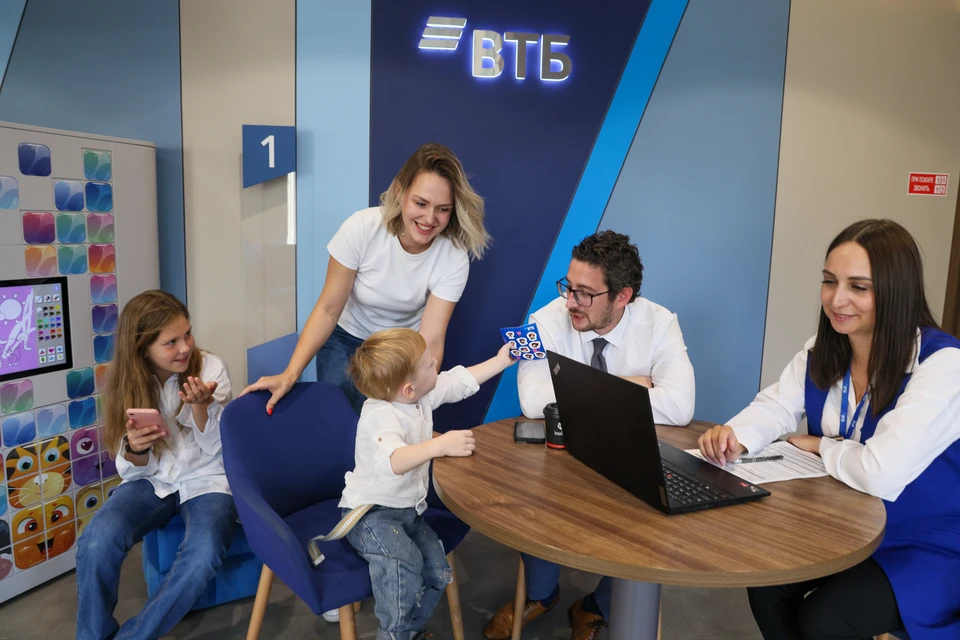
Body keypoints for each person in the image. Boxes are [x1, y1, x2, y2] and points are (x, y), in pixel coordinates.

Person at [699, 219, 960, 640]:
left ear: (896, 290)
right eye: (829, 281)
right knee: (766, 581)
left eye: (859, 287)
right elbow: (776, 406)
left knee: (826, 619)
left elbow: (882, 472)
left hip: (926, 541)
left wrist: (822, 445)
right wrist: (735, 435)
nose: (837, 299)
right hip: (845, 527)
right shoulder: (823, 350)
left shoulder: (943, 365)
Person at [485, 230, 696, 640]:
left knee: (656, 512)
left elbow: (680, 406)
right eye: (568, 286)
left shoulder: (660, 323)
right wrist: (634, 384)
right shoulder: (546, 320)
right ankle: (541, 594)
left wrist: (576, 389)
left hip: (628, 457)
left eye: (584, 294)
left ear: (622, 296)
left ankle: (594, 606)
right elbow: (534, 401)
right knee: (528, 497)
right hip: (559, 460)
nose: (570, 302)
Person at [241, 142, 490, 416]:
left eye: (442, 209)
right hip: (345, 340)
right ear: (400, 192)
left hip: (400, 350)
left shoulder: (453, 256)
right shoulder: (361, 227)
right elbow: (328, 309)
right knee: (343, 420)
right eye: (420, 203)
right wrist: (290, 374)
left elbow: (431, 338)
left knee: (390, 423)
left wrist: (417, 396)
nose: (429, 218)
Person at [338, 328, 517, 640]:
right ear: (408, 389)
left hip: (408, 511)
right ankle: (393, 634)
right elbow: (394, 461)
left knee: (437, 572)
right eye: (428, 363)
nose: (435, 362)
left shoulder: (418, 397)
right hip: (371, 514)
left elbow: (457, 382)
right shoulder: (381, 415)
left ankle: (410, 630)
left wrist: (501, 361)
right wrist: (439, 445)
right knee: (403, 565)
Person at [76, 290, 234, 640]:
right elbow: (131, 470)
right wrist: (135, 448)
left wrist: (202, 407)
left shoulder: (210, 369)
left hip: (208, 479)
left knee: (204, 554)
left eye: (187, 334)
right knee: (97, 540)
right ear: (143, 347)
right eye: (171, 342)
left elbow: (220, 447)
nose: (185, 347)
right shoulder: (127, 383)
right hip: (152, 481)